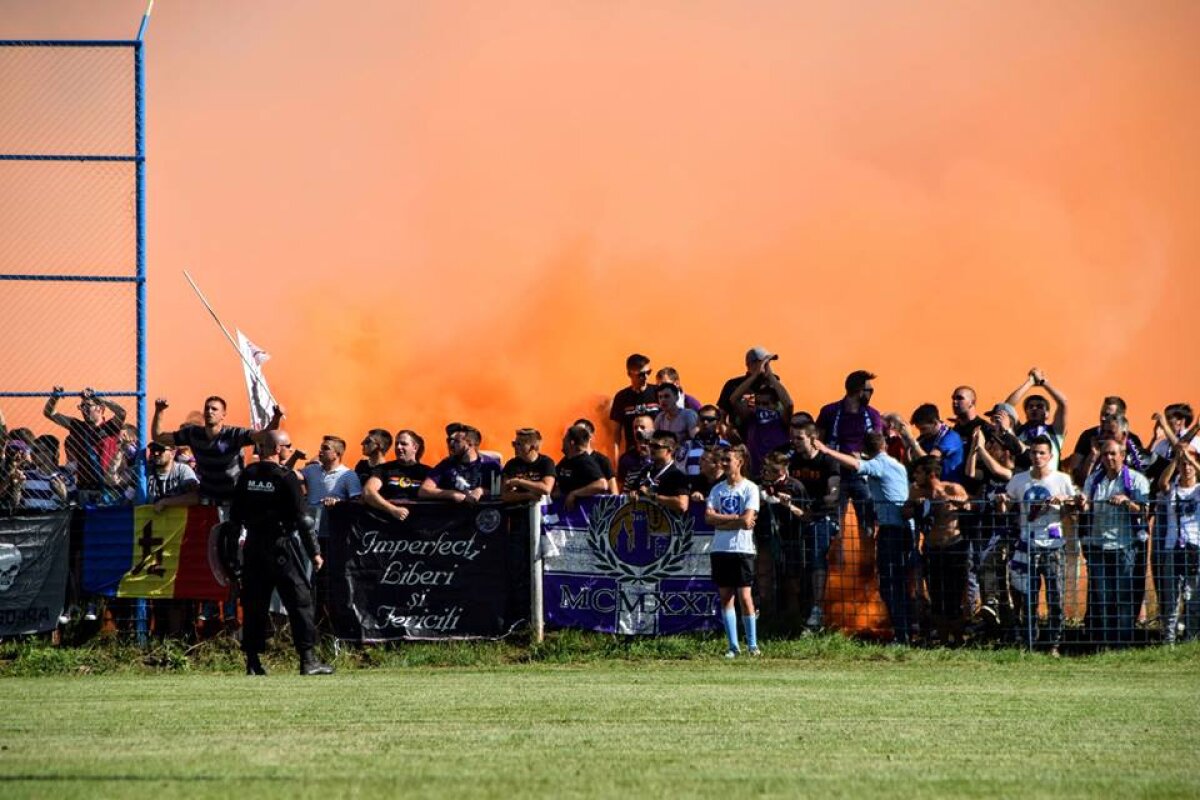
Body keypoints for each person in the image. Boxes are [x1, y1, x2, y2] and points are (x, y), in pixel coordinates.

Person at [230, 430, 332, 676]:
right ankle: (308, 660)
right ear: (278, 449)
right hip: (281, 547)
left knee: (254, 604)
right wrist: (315, 553)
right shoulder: (286, 478)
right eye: (288, 446)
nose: (289, 450)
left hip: (254, 547)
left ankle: (252, 662)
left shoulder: (247, 475)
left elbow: (235, 519)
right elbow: (304, 520)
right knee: (299, 602)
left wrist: (234, 555)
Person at [817, 432, 913, 644]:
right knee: (898, 583)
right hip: (903, 530)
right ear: (884, 445)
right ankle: (905, 631)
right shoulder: (896, 465)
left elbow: (858, 466)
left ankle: (902, 634)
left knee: (890, 584)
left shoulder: (879, 465)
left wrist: (826, 450)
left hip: (892, 531)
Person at [997, 436, 1079, 655]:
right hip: (1027, 546)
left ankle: (1054, 644)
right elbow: (1006, 508)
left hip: (1054, 545)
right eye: (1034, 452)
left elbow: (1075, 509)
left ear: (1050, 456)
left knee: (1056, 597)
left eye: (1042, 453)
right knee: (1027, 597)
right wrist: (1002, 501)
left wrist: (1066, 501)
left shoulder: (1062, 479)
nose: (1037, 456)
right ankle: (1029, 642)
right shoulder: (1018, 480)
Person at [1079, 439, 1150, 646]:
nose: (1109, 458)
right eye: (1105, 454)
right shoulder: (1094, 479)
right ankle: (1105, 643)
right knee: (1102, 597)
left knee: (1124, 597)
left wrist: (1128, 502)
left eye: (1113, 454)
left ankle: (1123, 643)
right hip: (1098, 544)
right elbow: (1085, 504)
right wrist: (1081, 502)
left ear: (1122, 454)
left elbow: (1146, 511)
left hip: (1126, 545)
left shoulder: (1136, 480)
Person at [152, 395, 282, 506]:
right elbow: (158, 437)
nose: (209, 411)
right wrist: (159, 411)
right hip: (208, 500)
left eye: (214, 409)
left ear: (223, 415)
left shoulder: (234, 434)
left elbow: (264, 436)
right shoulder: (193, 434)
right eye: (207, 408)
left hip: (236, 500)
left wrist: (277, 417)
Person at [907, 455, 972, 646]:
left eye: (919, 472)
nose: (915, 476)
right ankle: (943, 640)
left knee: (954, 594)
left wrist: (946, 499)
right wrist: (915, 504)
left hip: (954, 546)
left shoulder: (951, 487)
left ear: (931, 474)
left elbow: (967, 502)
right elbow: (905, 512)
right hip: (932, 548)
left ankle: (959, 639)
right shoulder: (916, 491)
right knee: (936, 595)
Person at [704, 445, 761, 658]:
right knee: (725, 596)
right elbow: (709, 518)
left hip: (742, 549)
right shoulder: (717, 489)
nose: (724, 464)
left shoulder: (750, 488)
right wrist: (734, 520)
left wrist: (723, 520)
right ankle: (733, 646)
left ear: (740, 462)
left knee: (745, 596)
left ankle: (752, 644)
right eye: (723, 460)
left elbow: (748, 520)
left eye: (728, 460)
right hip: (720, 548)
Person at [787, 422, 841, 631]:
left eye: (799, 438)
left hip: (821, 518)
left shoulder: (827, 462)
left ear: (813, 438)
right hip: (798, 519)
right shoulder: (793, 461)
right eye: (793, 438)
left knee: (818, 559)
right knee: (798, 565)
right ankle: (798, 612)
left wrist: (812, 507)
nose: (795, 443)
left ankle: (817, 608)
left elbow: (833, 495)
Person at [816, 370, 884, 523]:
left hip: (863, 474)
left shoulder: (873, 415)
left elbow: (878, 446)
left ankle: (867, 547)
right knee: (832, 522)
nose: (872, 394)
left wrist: (864, 457)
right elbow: (818, 441)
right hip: (835, 474)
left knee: (868, 523)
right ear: (860, 391)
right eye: (870, 390)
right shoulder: (830, 411)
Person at [43, 386, 127, 504]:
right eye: (82, 406)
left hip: (108, 489)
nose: (84, 410)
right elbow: (49, 413)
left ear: (100, 408)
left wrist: (99, 397)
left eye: (88, 406)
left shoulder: (111, 426)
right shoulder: (78, 426)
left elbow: (121, 412)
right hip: (84, 489)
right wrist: (55, 397)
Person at [1157, 447, 1200, 644]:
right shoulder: (1172, 488)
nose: (1187, 468)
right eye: (1184, 465)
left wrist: (1190, 458)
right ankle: (1169, 640)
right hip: (1172, 547)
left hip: (1195, 546)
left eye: (1190, 465)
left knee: (1193, 597)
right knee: (1171, 597)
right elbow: (1161, 482)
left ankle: (1190, 639)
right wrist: (1177, 458)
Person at [729, 357, 793, 477]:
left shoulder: (782, 419)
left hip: (777, 473)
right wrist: (755, 375)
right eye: (758, 403)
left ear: (775, 404)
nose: (762, 407)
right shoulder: (752, 417)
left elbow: (789, 404)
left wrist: (770, 376)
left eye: (766, 403)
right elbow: (734, 399)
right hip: (755, 473)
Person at [1005, 368, 1069, 470]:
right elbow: (1006, 407)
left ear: (1047, 413)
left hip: (1048, 483)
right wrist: (1029, 383)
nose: (1034, 409)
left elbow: (1063, 403)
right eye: (1030, 407)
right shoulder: (1020, 430)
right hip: (1022, 482)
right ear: (1026, 412)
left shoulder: (1055, 431)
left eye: (1039, 407)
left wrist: (1043, 382)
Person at [419, 425, 501, 503]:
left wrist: (481, 491)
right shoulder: (446, 464)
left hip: (484, 515)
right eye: (449, 440)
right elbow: (423, 491)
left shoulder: (491, 465)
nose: (451, 444)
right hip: (453, 515)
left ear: (470, 443)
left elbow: (500, 493)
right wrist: (451, 494)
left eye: (456, 441)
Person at [300, 435, 363, 537]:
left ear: (336, 454)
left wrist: (338, 503)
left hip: (333, 532)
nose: (320, 451)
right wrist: (294, 457)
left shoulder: (348, 475)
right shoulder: (311, 469)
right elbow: (288, 476)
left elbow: (357, 503)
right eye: (321, 448)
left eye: (325, 448)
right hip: (309, 532)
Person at [361, 430, 427, 522]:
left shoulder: (427, 472)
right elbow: (368, 491)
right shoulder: (384, 469)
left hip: (420, 527)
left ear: (415, 447)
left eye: (403, 444)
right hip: (387, 525)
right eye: (396, 444)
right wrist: (392, 509)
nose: (398, 447)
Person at [717, 346, 782, 438]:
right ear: (750, 365)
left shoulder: (773, 383)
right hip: (741, 438)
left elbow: (786, 407)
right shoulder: (733, 385)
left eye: (768, 362)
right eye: (763, 362)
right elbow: (721, 418)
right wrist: (727, 440)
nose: (767, 366)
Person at [894, 404, 965, 483]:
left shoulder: (950, 437)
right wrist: (907, 445)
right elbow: (911, 465)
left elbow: (930, 463)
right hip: (928, 485)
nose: (921, 432)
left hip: (948, 486)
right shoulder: (925, 437)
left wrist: (911, 440)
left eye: (923, 429)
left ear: (935, 422)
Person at [626, 431, 690, 514]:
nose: (651, 449)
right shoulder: (646, 470)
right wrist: (634, 493)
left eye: (656, 446)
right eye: (650, 445)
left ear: (670, 450)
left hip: (668, 524)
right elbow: (633, 490)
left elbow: (682, 505)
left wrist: (652, 496)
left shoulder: (678, 475)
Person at [609, 354, 660, 452]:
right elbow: (616, 435)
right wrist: (615, 462)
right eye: (641, 374)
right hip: (633, 455)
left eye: (648, 372)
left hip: (656, 452)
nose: (645, 377)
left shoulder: (658, 392)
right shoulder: (621, 397)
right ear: (629, 374)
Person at [554, 425, 609, 510]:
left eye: (565, 439)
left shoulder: (584, 461)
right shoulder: (566, 460)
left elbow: (602, 484)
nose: (563, 441)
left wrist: (574, 494)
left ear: (571, 443)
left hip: (582, 517)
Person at [501, 428, 557, 503]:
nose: (515, 447)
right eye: (514, 444)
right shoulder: (511, 464)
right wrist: (527, 495)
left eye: (519, 444)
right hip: (518, 511)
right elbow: (505, 495)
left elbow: (546, 489)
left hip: (541, 512)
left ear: (532, 447)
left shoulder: (546, 462)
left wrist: (520, 482)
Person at [145, 441, 200, 511]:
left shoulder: (182, 470)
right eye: (153, 450)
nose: (156, 453)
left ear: (173, 453)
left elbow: (194, 497)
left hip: (178, 520)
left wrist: (165, 502)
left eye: (161, 450)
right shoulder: (145, 472)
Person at [572, 418, 618, 494]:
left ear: (590, 436)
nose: (576, 436)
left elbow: (614, 492)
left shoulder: (602, 461)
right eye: (574, 433)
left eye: (580, 433)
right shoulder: (570, 460)